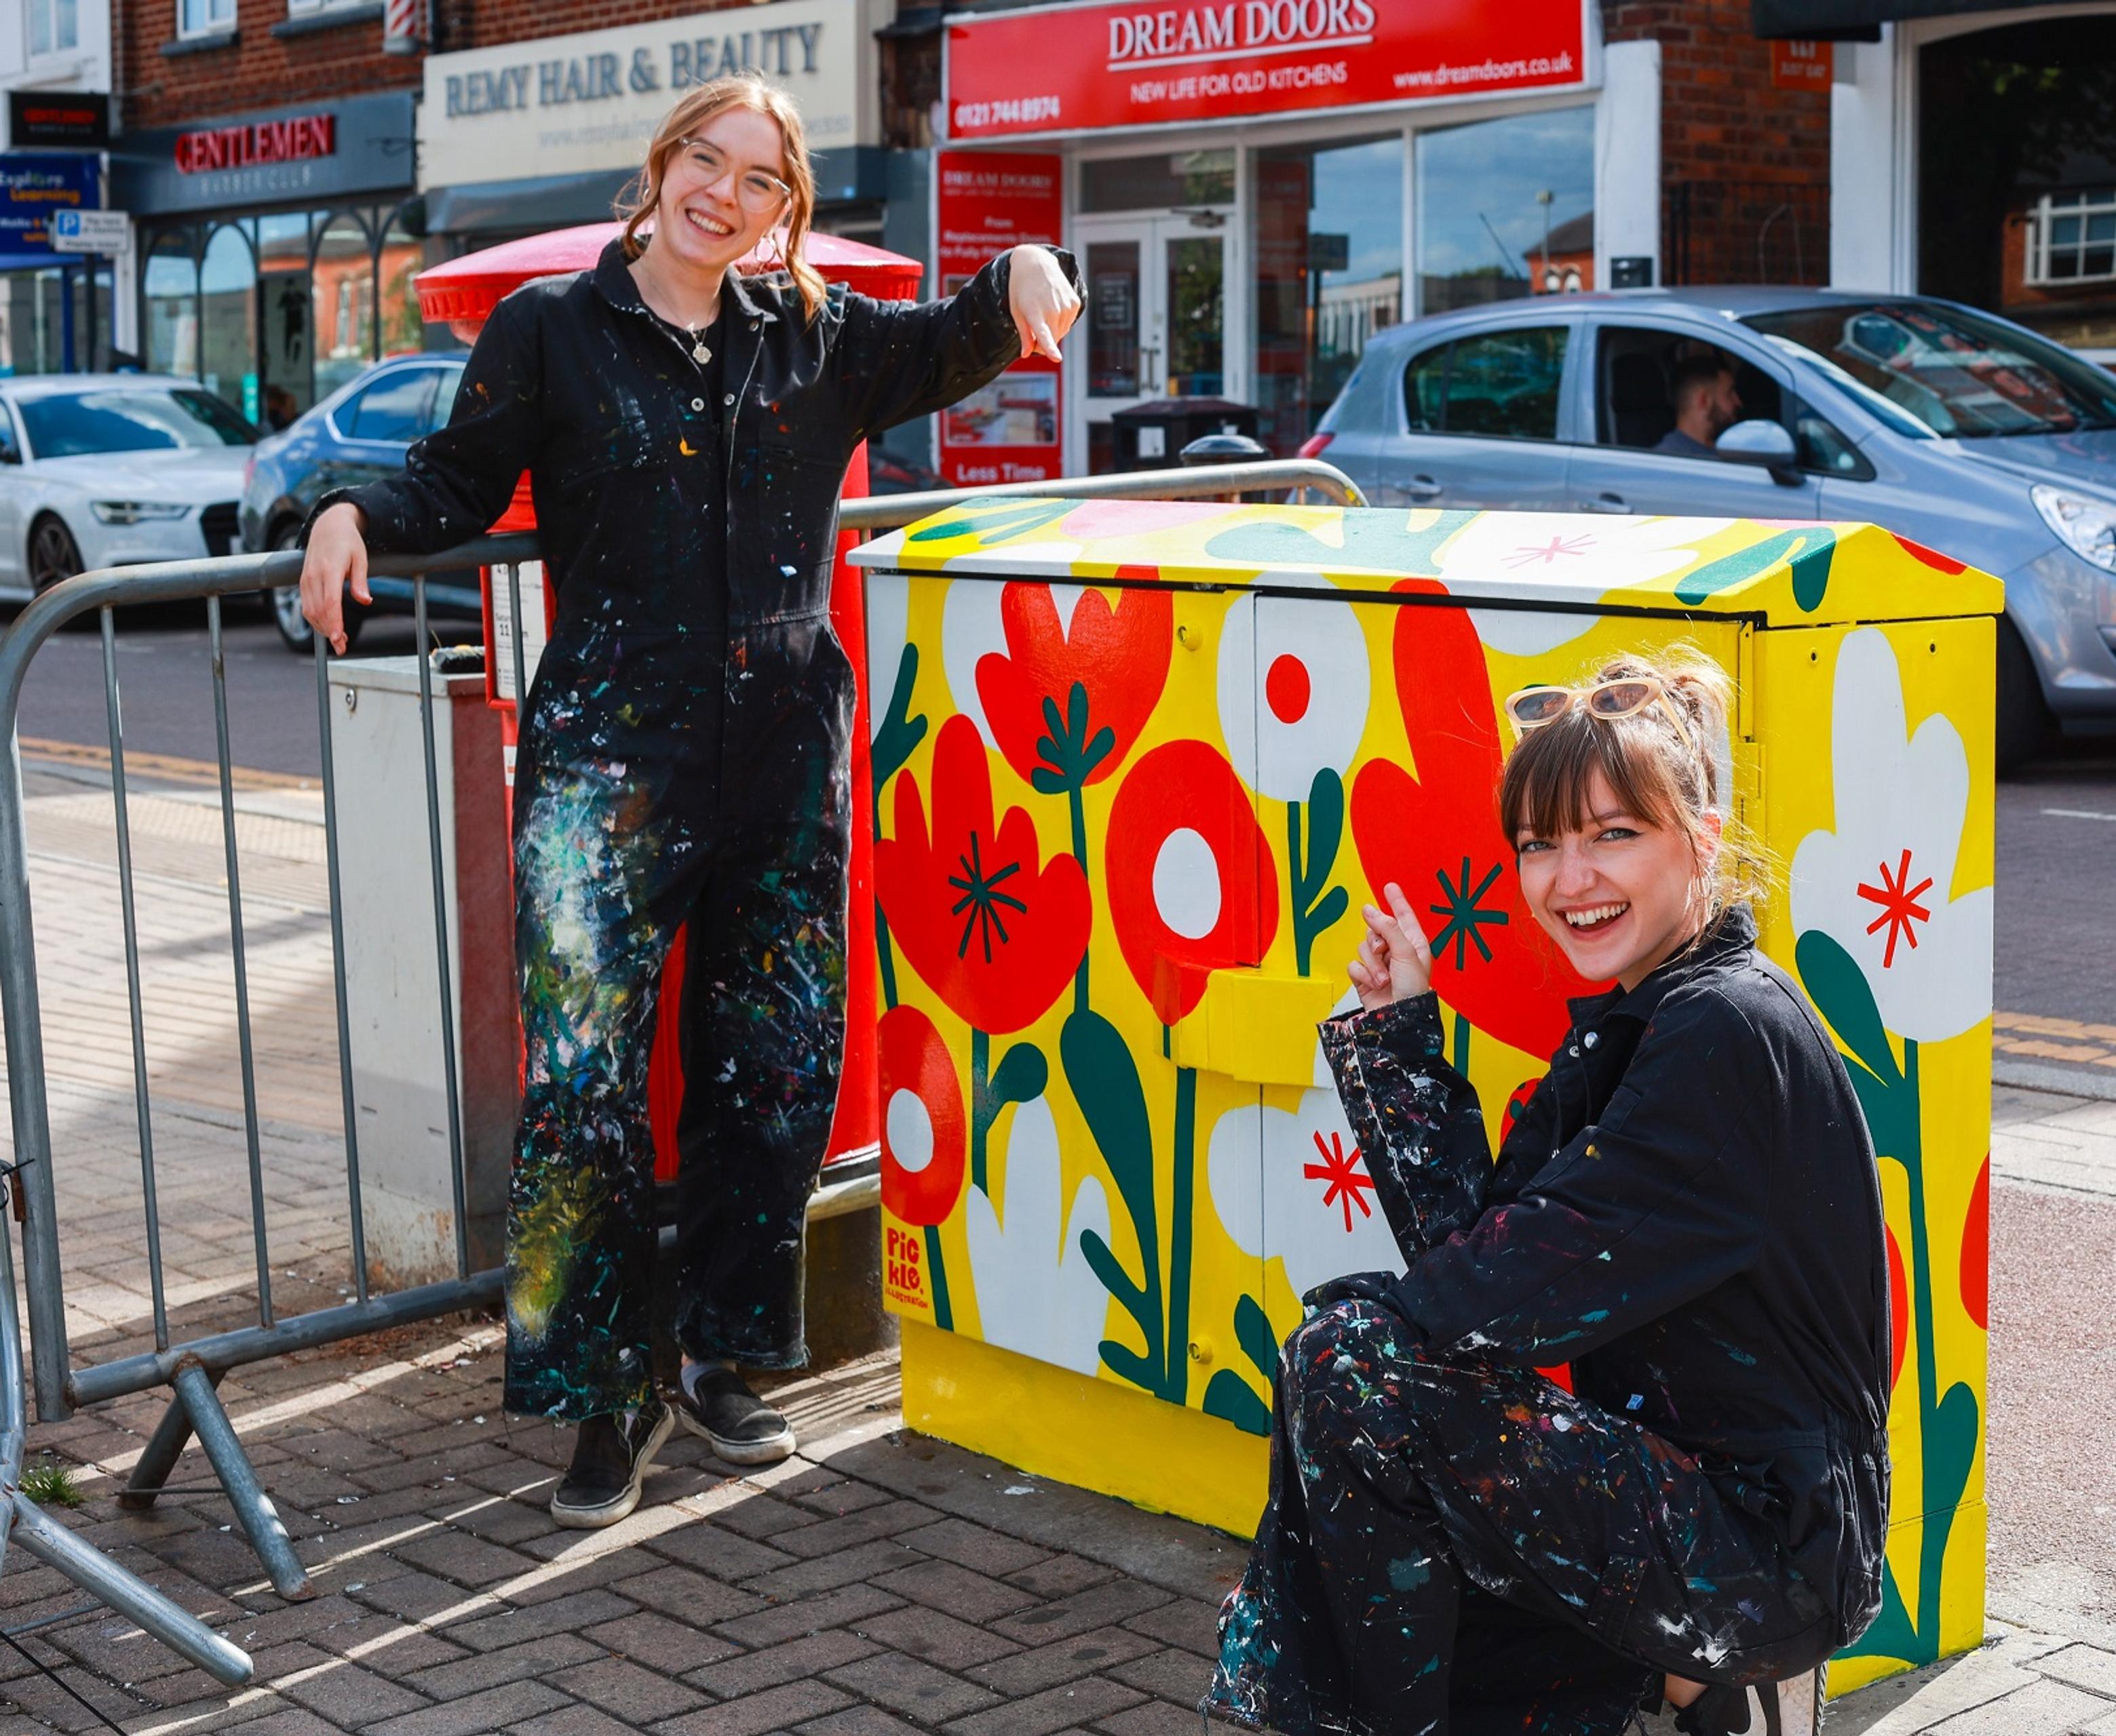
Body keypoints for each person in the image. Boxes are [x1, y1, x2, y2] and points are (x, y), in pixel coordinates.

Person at [297, 73, 1081, 1528]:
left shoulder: (814, 335)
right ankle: (606, 1399)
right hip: (608, 766)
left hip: (783, 759)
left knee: (771, 1069)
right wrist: (345, 509)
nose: (726, 195)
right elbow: (456, 476)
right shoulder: (553, 330)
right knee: (585, 1092)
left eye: (763, 180)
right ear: (660, 169)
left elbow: (953, 340)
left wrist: (1024, 271)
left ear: (788, 211)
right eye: (706, 164)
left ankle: (726, 1354)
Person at [1205, 650, 1891, 1736]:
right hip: (1682, 1504)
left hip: (1764, 1546)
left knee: (1352, 1373)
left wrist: (1353, 1352)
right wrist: (1399, 1037)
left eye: (1612, 833)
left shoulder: (1724, 1030)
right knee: (1362, 1389)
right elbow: (1480, 1254)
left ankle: (1696, 1673)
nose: (1570, 877)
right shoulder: (1637, 1026)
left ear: (1699, 839)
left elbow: (1508, 1285)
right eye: (1540, 843)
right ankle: (1685, 1685)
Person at [1655, 352, 1740, 457]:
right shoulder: (1671, 461)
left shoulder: (1727, 450)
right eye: (1729, 393)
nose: (1738, 402)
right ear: (1704, 401)